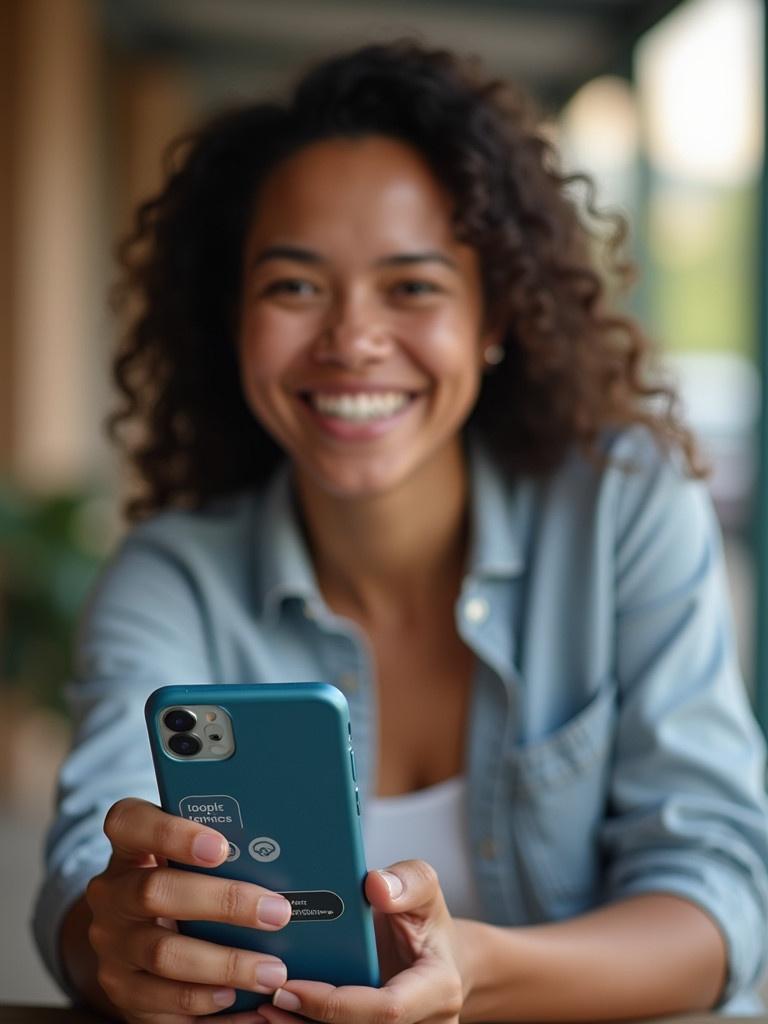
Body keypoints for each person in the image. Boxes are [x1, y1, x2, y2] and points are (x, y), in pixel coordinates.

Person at [33, 41, 768, 1023]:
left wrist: (477, 967)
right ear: (232, 317)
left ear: (494, 314)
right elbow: (86, 879)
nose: (352, 339)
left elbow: (720, 899)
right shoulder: (171, 576)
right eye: (294, 286)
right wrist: (115, 941)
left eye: (412, 286)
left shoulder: (625, 512)